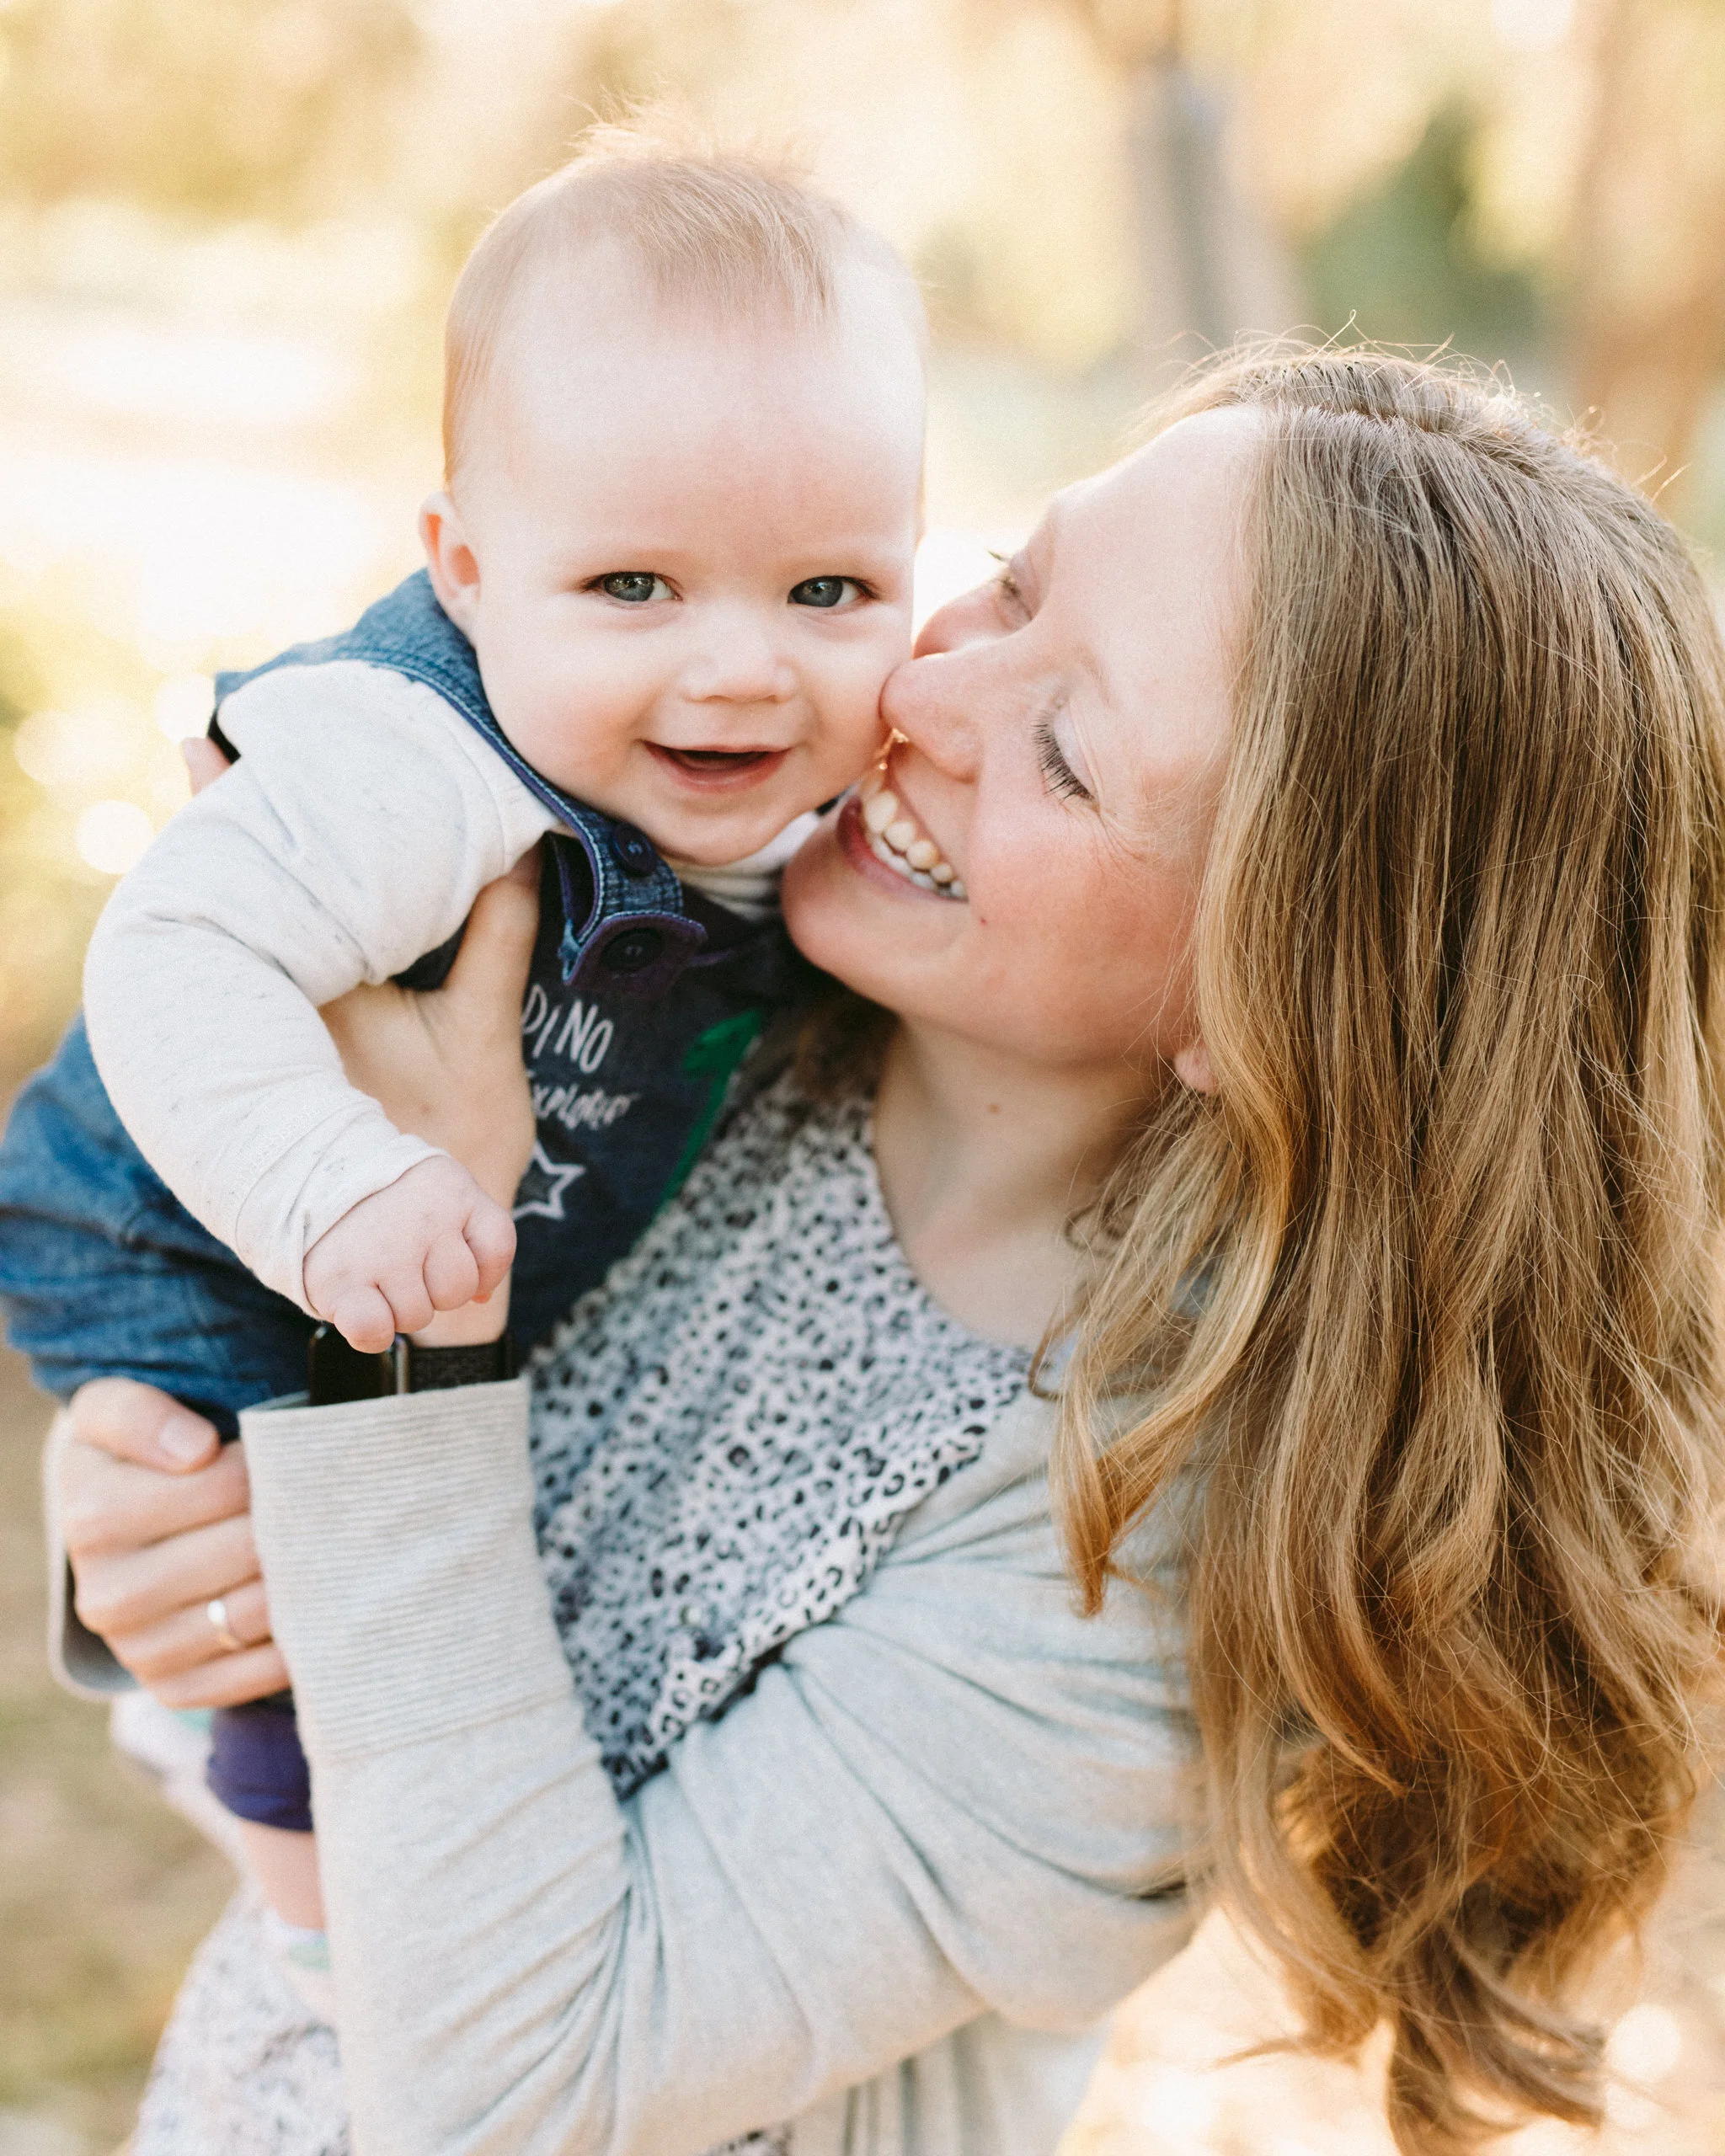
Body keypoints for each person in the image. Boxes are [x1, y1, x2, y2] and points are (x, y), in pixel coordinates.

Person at [51, 350, 1725, 2156]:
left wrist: (406, 1351)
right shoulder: (676, 1003)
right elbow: (345, 1791)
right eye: (1007, 581)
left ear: (1280, 1006)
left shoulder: (1132, 1549)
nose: (925, 689)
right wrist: (175, 1530)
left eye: (1067, 752)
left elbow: (506, 2086)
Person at [7, 125, 925, 1937]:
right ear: (467, 569)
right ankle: (324, 1949)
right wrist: (331, 1180)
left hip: (420, 1263)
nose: (742, 665)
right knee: (298, 1645)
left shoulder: (762, 798)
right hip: (194, 1230)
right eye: (634, 588)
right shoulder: (410, 757)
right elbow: (174, 948)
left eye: (831, 591)